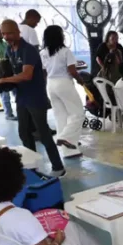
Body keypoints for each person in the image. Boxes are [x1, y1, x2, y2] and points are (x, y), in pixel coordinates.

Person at [0, 19, 65, 177]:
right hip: (21, 97)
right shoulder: (9, 49)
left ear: (18, 32)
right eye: (4, 33)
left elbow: (26, 75)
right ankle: (33, 168)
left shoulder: (28, 50)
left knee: (42, 133)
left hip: (35, 98)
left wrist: (4, 80)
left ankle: (58, 167)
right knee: (24, 133)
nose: (7, 36)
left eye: (10, 33)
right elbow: (10, 72)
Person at [41, 25, 84, 158]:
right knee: (78, 113)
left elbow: (43, 72)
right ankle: (66, 137)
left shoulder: (43, 52)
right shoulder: (65, 51)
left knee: (61, 116)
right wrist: (80, 80)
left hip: (51, 84)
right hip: (64, 83)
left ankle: (68, 150)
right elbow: (72, 70)